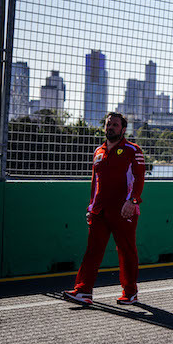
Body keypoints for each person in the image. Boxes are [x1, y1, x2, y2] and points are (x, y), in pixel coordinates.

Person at [63, 112, 145, 306]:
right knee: (92, 250)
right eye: (108, 124)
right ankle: (83, 291)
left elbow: (140, 178)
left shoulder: (133, 150)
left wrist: (133, 202)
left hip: (124, 210)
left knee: (126, 251)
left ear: (123, 129)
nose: (111, 128)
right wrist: (91, 207)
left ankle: (130, 292)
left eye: (115, 125)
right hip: (99, 211)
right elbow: (95, 182)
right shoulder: (98, 151)